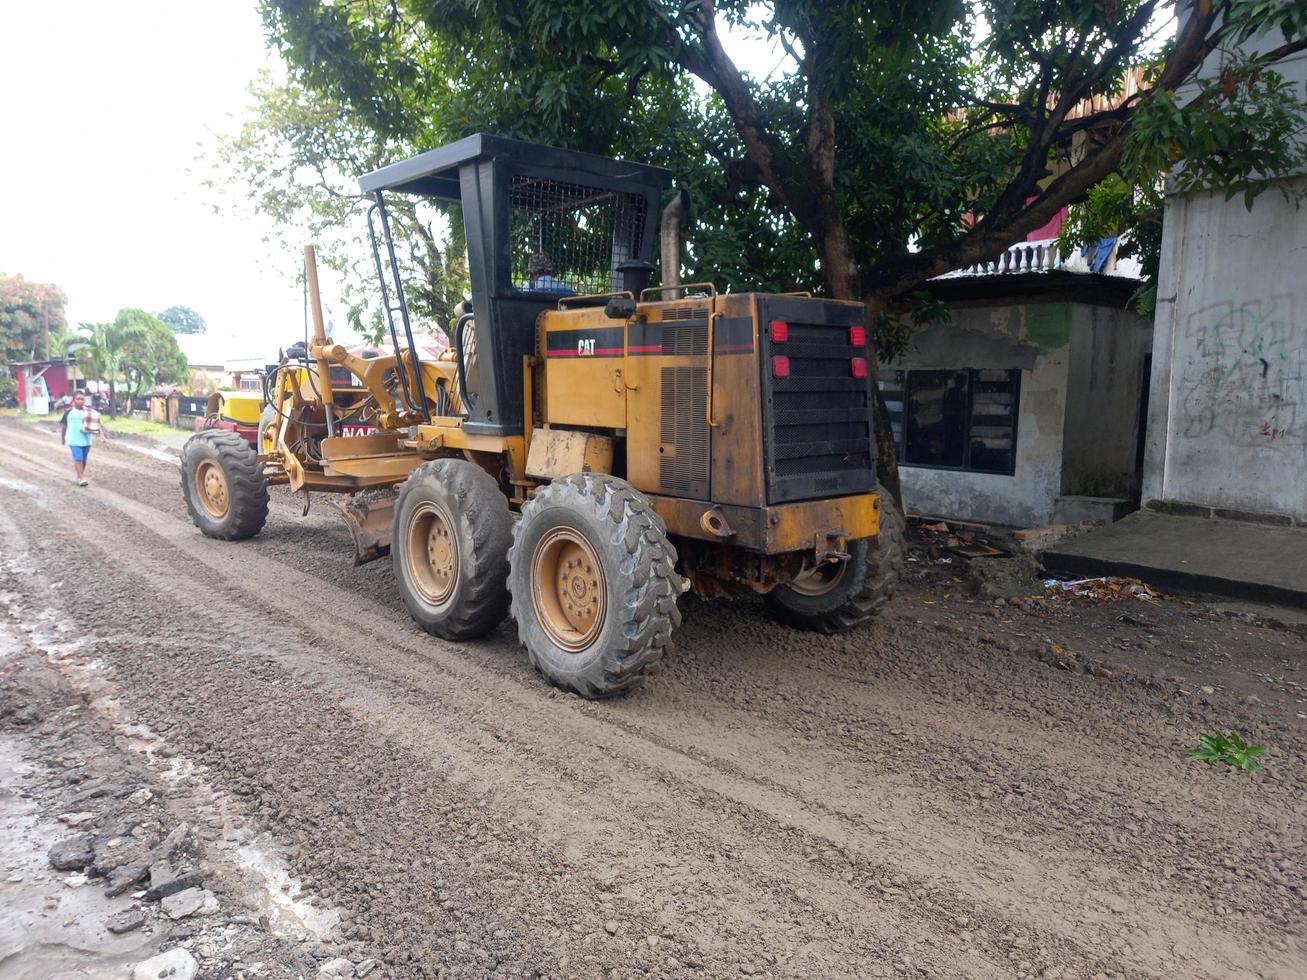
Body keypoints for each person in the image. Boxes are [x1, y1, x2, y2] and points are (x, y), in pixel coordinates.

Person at [60, 391, 104, 486]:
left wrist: (101, 434)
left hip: (86, 440)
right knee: (78, 458)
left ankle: (80, 475)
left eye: (82, 399)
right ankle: (82, 478)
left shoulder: (89, 412)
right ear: (73, 401)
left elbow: (97, 423)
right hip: (73, 439)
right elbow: (64, 426)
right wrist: (63, 438)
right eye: (78, 399)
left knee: (84, 459)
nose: (80, 401)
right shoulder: (69, 413)